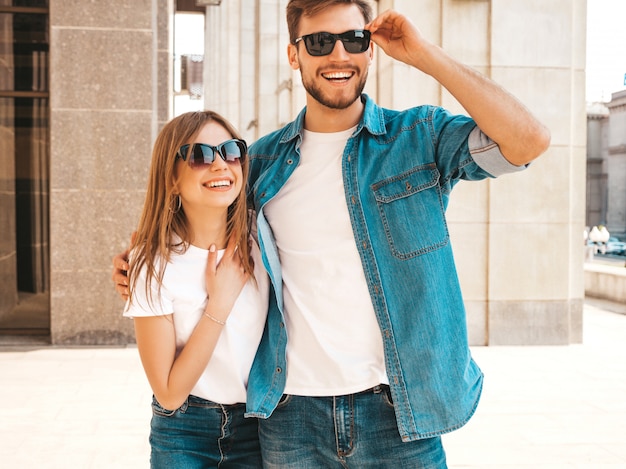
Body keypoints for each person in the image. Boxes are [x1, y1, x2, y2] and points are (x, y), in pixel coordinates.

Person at [114, 1, 550, 467]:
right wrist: (141, 265)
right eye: (320, 42)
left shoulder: (417, 138)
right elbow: (197, 211)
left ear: (371, 50)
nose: (338, 55)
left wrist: (424, 55)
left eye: (354, 39)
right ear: (294, 55)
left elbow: (528, 141)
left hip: (398, 415)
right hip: (290, 420)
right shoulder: (259, 162)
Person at [122, 110, 269, 468]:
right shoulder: (152, 264)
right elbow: (170, 393)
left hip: (260, 428)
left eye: (231, 151)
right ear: (171, 179)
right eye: (200, 156)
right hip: (184, 432)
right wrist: (219, 305)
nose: (221, 165)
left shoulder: (263, 237)